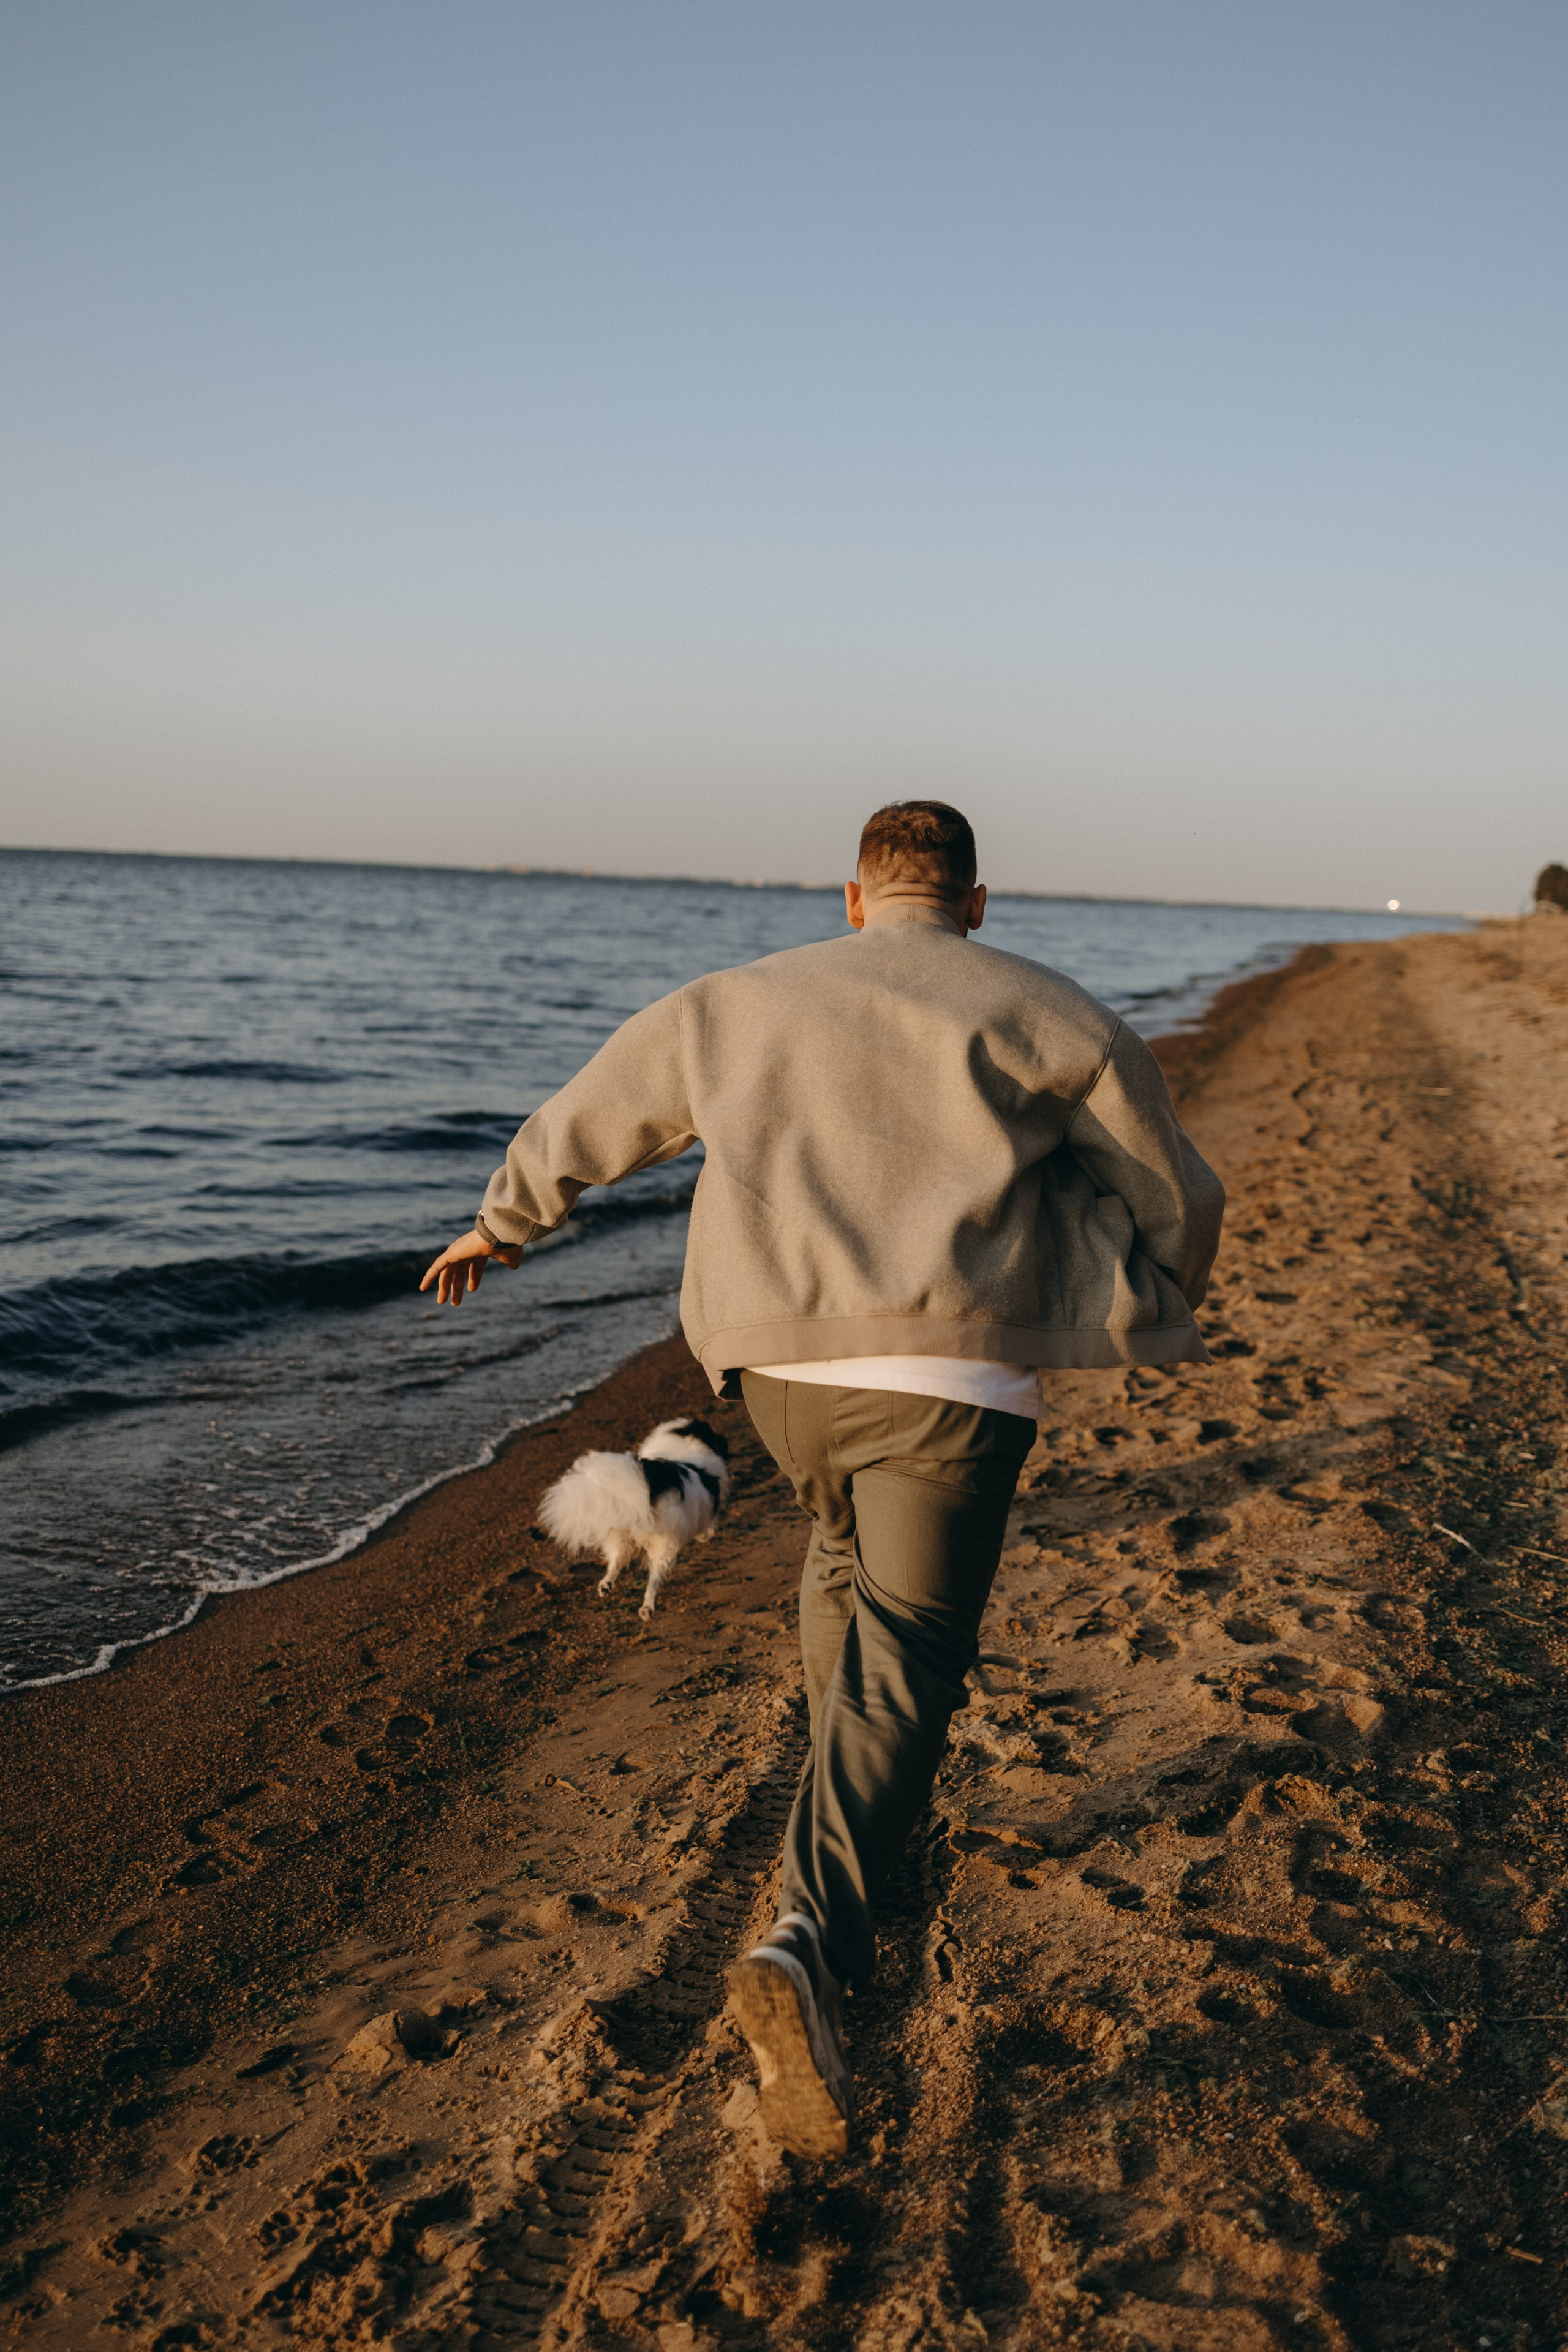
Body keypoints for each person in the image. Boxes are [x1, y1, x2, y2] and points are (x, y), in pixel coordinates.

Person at [421, 801, 1224, 2157]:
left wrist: (501, 1225)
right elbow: (1169, 1186)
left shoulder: (736, 1001)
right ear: (975, 903)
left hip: (779, 1376)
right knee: (911, 1653)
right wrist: (1146, 1290)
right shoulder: (1045, 1008)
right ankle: (809, 1938)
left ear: (853, 899)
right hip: (952, 1381)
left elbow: (596, 1113)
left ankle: (857, 1794)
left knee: (844, 1559)